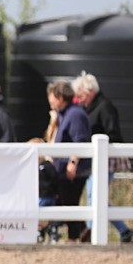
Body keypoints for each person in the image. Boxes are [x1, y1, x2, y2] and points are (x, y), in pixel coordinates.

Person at [72, 72, 133, 243]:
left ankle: (91, 230)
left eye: (81, 95)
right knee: (96, 196)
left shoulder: (105, 107)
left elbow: (113, 133)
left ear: (90, 91)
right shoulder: (89, 108)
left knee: (95, 195)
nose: (78, 99)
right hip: (95, 160)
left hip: (106, 159)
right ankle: (123, 231)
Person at [47, 80, 91, 241]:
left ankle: (74, 238)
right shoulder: (65, 114)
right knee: (65, 202)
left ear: (60, 97)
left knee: (69, 202)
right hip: (64, 168)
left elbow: (80, 140)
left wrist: (73, 164)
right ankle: (82, 232)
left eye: (51, 97)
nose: (50, 101)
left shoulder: (75, 114)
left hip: (72, 170)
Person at [30, 137, 60, 242]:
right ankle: (41, 234)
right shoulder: (31, 168)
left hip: (47, 196)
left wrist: (56, 192)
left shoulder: (47, 166)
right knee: (39, 216)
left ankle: (50, 231)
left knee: (42, 216)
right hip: (38, 196)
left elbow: (55, 179)